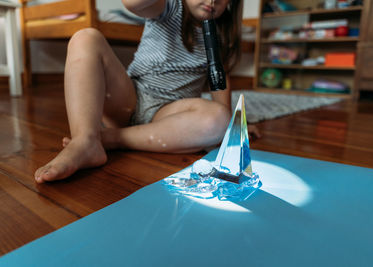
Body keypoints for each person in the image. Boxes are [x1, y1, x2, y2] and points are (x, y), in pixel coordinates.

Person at [34, 0, 259, 183]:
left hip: (169, 115)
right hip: (129, 99)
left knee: (219, 118)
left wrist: (232, 127)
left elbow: (219, 80)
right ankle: (84, 139)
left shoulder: (220, 34)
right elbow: (133, 3)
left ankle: (108, 139)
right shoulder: (171, 7)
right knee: (85, 37)